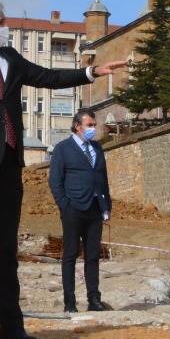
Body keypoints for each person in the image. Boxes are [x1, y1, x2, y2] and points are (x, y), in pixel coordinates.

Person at [0, 0, 125, 339]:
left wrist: (91, 72)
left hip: (8, 169)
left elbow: (48, 76)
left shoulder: (10, 58)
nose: (6, 27)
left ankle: (11, 325)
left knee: (5, 252)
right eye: (1, 22)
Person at [48, 109, 113, 313]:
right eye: (89, 125)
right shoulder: (63, 148)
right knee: (70, 255)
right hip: (73, 208)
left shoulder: (97, 148)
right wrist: (65, 205)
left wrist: (106, 204)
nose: (93, 128)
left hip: (94, 208)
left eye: (94, 125)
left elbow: (102, 178)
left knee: (92, 256)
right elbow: (55, 180)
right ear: (77, 126)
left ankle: (94, 299)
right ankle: (70, 302)